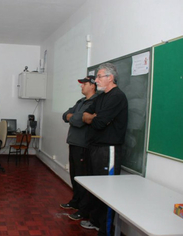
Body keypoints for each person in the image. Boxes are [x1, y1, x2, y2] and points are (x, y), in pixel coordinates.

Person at [81, 63, 128, 236]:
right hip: (95, 147)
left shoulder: (117, 96)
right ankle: (95, 221)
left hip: (108, 150)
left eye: (100, 76)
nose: (96, 80)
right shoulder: (101, 97)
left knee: (107, 190)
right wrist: (93, 117)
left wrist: (94, 118)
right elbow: (85, 115)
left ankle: (106, 230)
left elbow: (99, 123)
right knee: (95, 187)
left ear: (111, 77)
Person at [60, 76, 98, 221]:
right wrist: (76, 116)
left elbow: (82, 121)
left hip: (84, 145)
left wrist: (74, 117)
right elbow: (65, 115)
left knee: (82, 177)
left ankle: (83, 209)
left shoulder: (95, 102)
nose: (81, 86)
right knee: (74, 175)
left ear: (93, 86)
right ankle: (75, 201)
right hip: (74, 143)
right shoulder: (80, 102)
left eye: (84, 84)